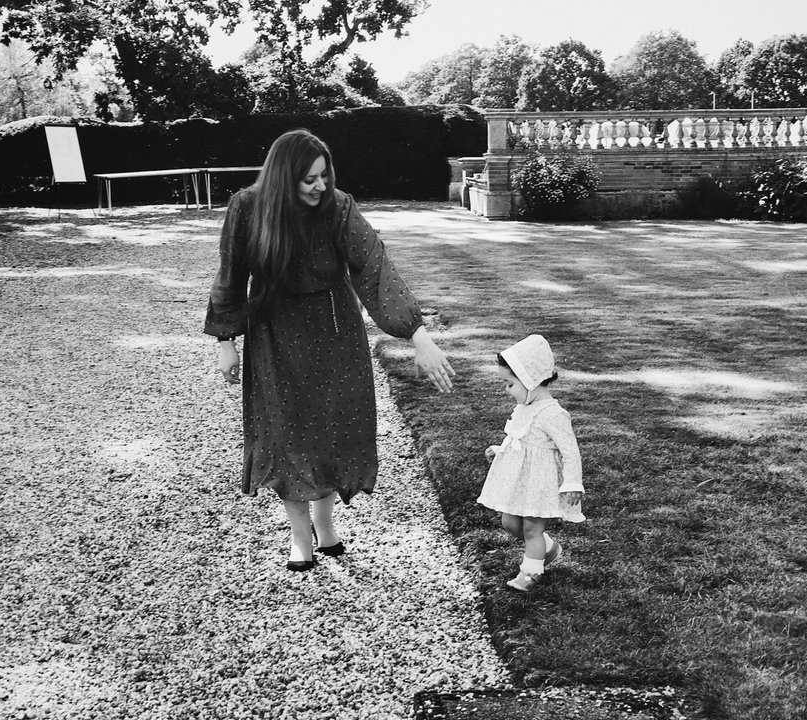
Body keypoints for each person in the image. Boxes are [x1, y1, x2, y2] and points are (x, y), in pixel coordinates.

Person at [204, 128, 455, 572]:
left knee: (332, 429)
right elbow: (230, 277)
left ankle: (326, 525)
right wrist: (227, 342)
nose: (320, 186)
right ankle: (301, 537)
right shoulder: (247, 207)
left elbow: (374, 267)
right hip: (275, 333)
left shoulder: (339, 206)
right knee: (287, 433)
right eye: (309, 179)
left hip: (335, 333)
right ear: (284, 178)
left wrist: (418, 334)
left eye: (324, 176)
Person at [477, 334, 584, 592]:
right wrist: (500, 449)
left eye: (509, 384)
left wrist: (572, 483)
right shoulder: (525, 406)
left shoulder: (553, 414)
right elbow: (519, 437)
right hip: (520, 478)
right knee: (509, 522)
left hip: (540, 481)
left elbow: (570, 450)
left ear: (530, 381)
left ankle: (530, 573)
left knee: (531, 527)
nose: (506, 390)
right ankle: (547, 548)